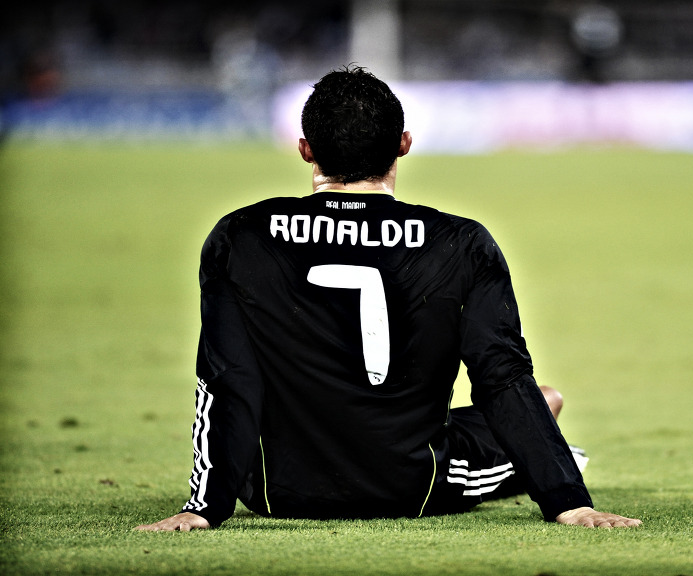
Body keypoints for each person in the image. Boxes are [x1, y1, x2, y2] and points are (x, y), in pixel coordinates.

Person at [136, 66, 641, 532]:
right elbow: (500, 374)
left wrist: (203, 507)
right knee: (544, 398)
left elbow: (226, 379)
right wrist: (568, 501)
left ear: (306, 149)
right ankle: (555, 461)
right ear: (403, 144)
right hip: (413, 483)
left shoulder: (241, 235)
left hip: (275, 490)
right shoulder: (461, 242)